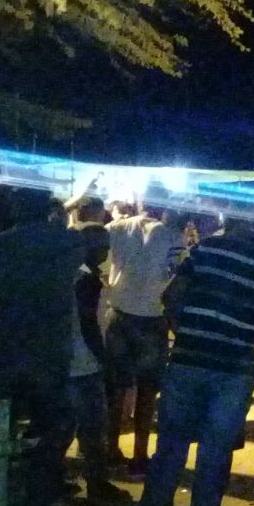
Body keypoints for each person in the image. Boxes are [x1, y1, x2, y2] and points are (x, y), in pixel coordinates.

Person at [126, 217, 254, 506]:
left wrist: (186, 334)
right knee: (214, 461)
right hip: (233, 373)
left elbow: (170, 296)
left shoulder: (207, 249)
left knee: (168, 454)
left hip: (188, 363)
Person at [0, 187, 86, 506]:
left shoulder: (1, 244)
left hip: (7, 345)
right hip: (50, 348)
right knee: (49, 424)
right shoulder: (69, 241)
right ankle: (39, 493)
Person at [105, 185, 187, 478]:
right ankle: (140, 456)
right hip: (152, 319)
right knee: (147, 392)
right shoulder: (173, 236)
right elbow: (176, 277)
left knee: (116, 389)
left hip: (118, 316)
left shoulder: (116, 227)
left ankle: (110, 449)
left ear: (141, 202)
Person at [66, 225, 133, 504]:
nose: (106, 251)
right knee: (94, 429)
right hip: (84, 362)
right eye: (102, 245)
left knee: (66, 427)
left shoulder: (72, 274)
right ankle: (96, 485)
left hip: (69, 359)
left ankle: (52, 482)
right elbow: (88, 323)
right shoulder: (87, 280)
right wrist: (104, 359)